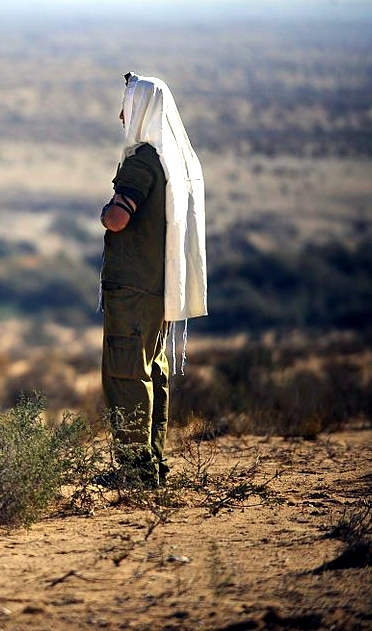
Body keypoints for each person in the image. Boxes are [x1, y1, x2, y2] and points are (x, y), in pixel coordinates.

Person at [99, 72, 207, 488]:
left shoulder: (141, 160)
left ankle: (134, 471)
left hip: (133, 288)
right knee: (152, 372)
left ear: (142, 109)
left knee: (127, 373)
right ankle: (152, 463)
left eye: (127, 105)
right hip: (158, 287)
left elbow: (118, 217)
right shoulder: (170, 161)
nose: (122, 113)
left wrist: (106, 212)